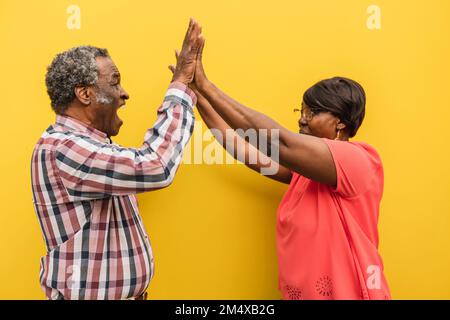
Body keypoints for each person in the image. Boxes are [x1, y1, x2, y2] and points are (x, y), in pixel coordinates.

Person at [171, 21, 391, 299]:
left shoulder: (358, 160)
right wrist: (196, 95)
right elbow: (241, 147)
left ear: (340, 123)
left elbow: (277, 141)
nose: (301, 118)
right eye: (302, 110)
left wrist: (206, 84)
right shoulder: (306, 172)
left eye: (312, 113)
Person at [31, 19, 202, 300]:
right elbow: (156, 165)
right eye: (115, 81)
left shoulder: (89, 145)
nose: (124, 93)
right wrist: (180, 85)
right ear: (85, 94)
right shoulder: (63, 148)